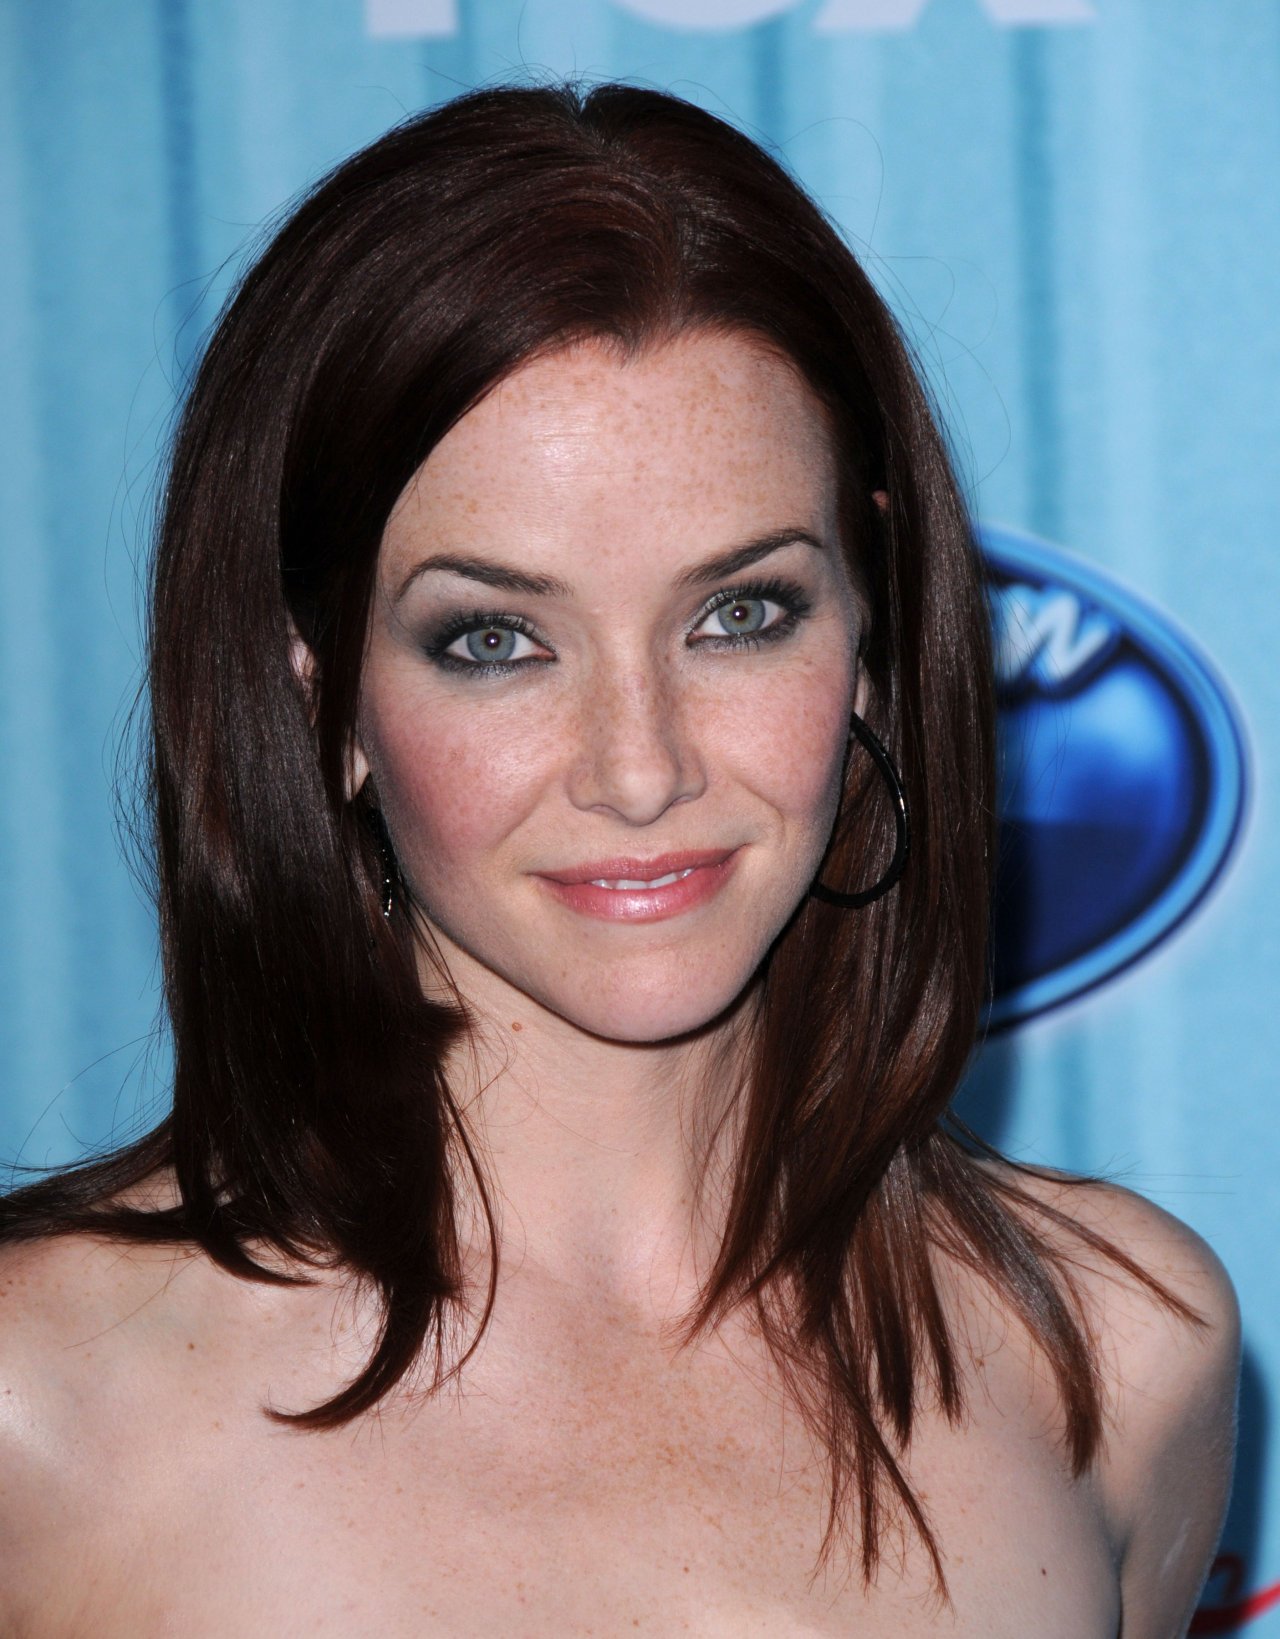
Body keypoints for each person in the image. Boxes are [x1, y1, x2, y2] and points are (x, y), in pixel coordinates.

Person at [0, 81, 1237, 1636]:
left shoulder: (1117, 1357)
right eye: (496, 640)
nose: (642, 769)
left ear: (867, 634)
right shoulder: (38, 1406)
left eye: (741, 614)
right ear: (324, 694)